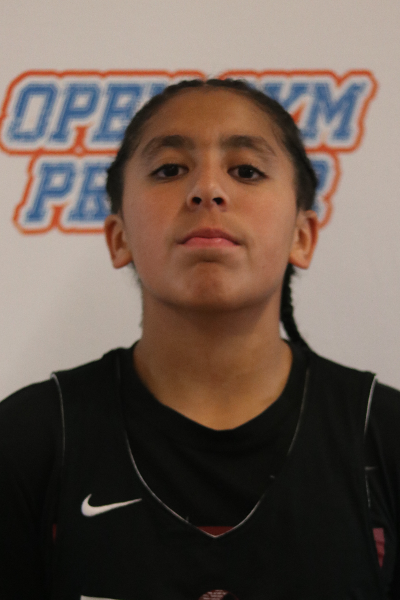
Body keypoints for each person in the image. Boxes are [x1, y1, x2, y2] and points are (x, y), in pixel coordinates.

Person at [0, 78, 399, 600]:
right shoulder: (27, 440)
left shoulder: (385, 436)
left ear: (302, 237)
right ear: (119, 238)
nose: (208, 189)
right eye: (170, 169)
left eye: (246, 171)